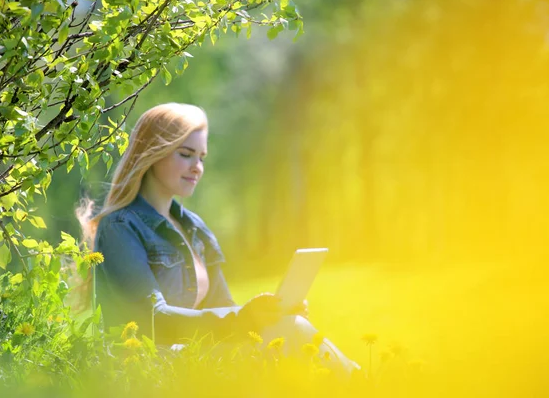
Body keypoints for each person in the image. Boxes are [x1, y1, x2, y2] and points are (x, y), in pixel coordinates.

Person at [77, 103, 358, 374]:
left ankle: (363, 382)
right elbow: (151, 320)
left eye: (201, 157)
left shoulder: (194, 228)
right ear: (153, 153)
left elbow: (223, 307)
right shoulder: (120, 226)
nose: (197, 167)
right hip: (149, 366)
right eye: (186, 154)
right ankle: (367, 384)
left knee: (287, 328)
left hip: (196, 356)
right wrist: (243, 318)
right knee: (292, 334)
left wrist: (268, 313)